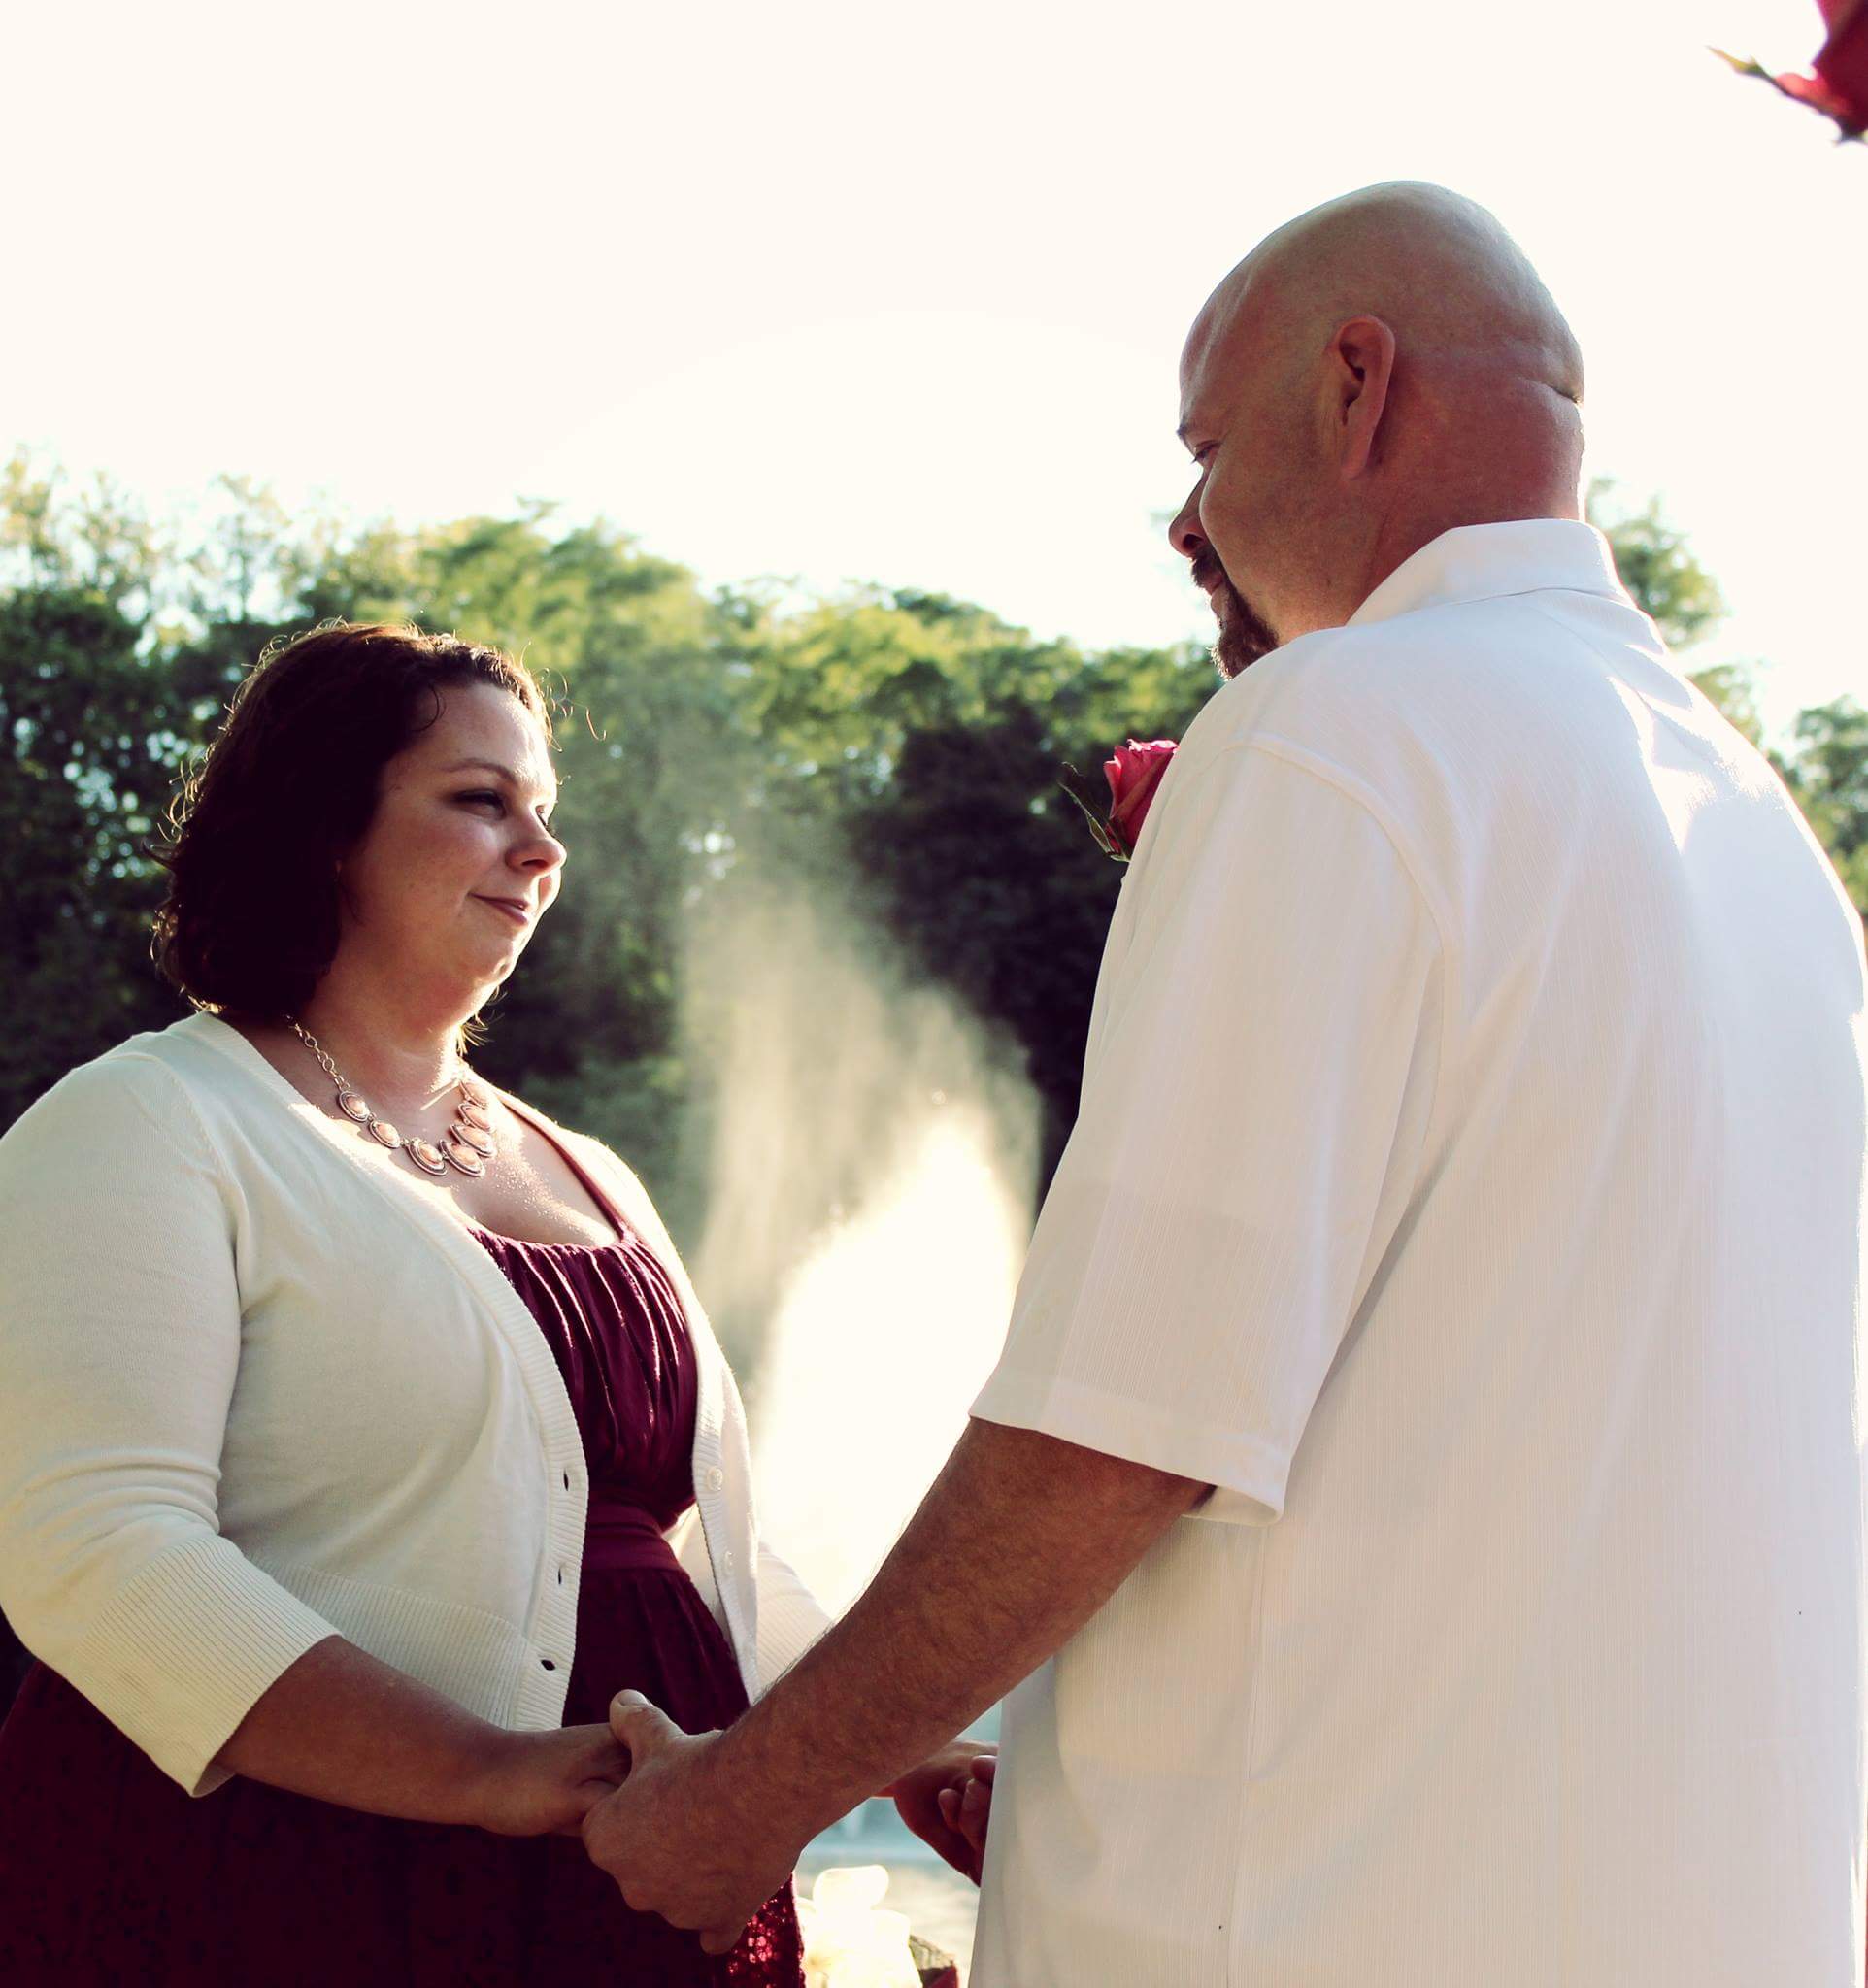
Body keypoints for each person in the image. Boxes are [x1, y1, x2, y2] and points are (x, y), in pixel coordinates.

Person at [580, 182, 1868, 1985]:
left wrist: (744, 1801)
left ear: (1355, 383)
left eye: (1202, 450)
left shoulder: (1342, 729)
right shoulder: (1765, 846)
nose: (1184, 522)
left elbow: (1118, 1436)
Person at [0, 621, 988, 1985]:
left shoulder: (593, 1170)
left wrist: (890, 1752)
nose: (542, 850)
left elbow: (711, 1561)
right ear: (323, 828)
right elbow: (96, 1548)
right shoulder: (147, 1121)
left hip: (636, 1880)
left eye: (547, 811)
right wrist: (480, 1771)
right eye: (482, 801)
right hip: (293, 1885)